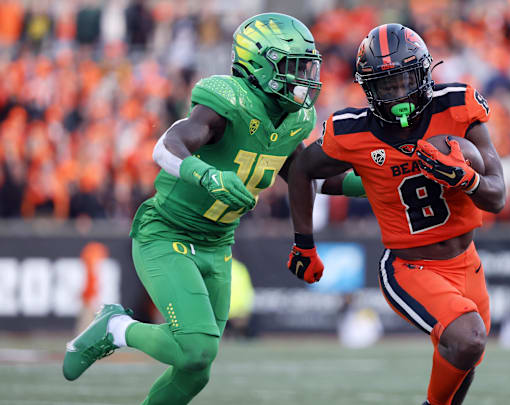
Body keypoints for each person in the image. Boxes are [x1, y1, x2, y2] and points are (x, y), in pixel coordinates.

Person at [62, 13, 362, 404]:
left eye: (306, 66)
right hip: (167, 232)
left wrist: (381, 182)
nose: (303, 77)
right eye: (291, 66)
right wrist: (207, 175)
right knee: (196, 349)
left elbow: (311, 179)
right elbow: (167, 145)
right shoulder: (230, 99)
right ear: (257, 65)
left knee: (196, 371)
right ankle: (114, 327)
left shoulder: (294, 119)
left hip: (218, 242)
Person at [286, 24, 506, 405]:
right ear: (369, 89)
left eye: (405, 80)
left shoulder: (456, 105)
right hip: (411, 266)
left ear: (423, 73)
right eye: (387, 86)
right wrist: (304, 244)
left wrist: (466, 178)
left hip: (467, 262)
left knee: (464, 360)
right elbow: (302, 170)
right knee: (467, 338)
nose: (399, 94)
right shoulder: (352, 131)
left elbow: (497, 196)